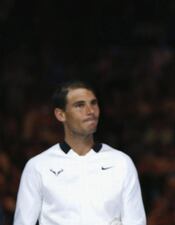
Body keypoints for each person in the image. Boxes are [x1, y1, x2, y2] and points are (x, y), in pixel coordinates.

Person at [13, 81, 146, 225]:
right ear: (61, 115)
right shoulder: (38, 166)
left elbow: (136, 221)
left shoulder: (121, 163)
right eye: (80, 105)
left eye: (93, 103)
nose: (90, 111)